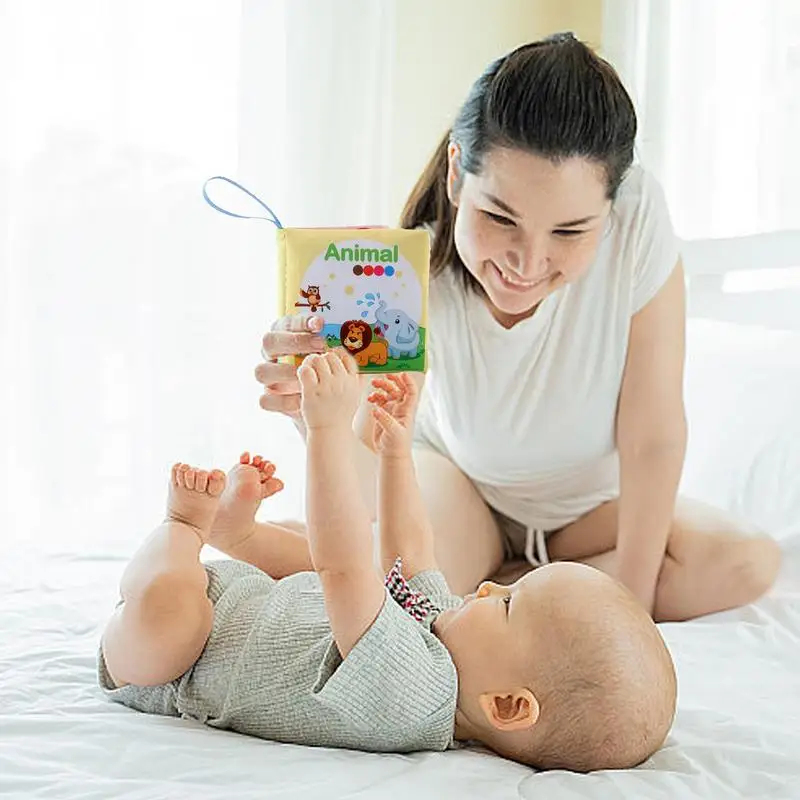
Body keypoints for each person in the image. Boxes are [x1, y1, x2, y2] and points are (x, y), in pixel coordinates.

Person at [252, 33, 781, 620]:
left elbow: (653, 432)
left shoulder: (637, 217)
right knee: (393, 588)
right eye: (500, 218)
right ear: (457, 175)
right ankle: (496, 585)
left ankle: (506, 586)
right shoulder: (399, 270)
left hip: (583, 516)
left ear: (611, 207)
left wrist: (628, 601)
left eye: (570, 232)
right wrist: (315, 421)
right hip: (460, 489)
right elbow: (372, 461)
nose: (526, 265)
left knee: (744, 564)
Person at [98, 351, 677, 771]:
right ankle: (239, 535)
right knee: (360, 575)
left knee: (178, 614)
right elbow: (407, 550)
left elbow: (343, 564)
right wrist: (396, 449)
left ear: (505, 705)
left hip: (172, 662)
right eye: (505, 589)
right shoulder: (445, 631)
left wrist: (328, 430)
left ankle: (182, 527)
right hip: (242, 600)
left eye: (505, 606)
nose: (485, 591)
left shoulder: (415, 696)